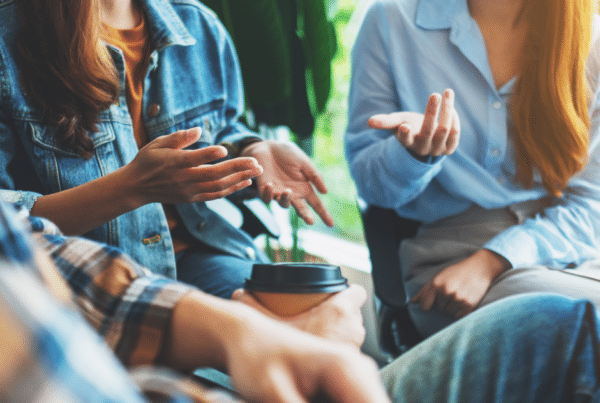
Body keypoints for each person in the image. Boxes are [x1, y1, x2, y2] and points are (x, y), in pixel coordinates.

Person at [3, 201, 600, 402]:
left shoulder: (195, 29)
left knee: (566, 319)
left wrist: (237, 330)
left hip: (180, 316)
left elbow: (28, 238)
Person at [0, 0, 334, 300]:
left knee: (317, 313)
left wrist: (252, 148)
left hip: (199, 256)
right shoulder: (8, 38)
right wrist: (131, 188)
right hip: (80, 277)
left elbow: (221, 130)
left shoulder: (199, 26)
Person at [345, 0, 600, 337]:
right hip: (448, 268)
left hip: (567, 249)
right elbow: (373, 187)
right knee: (586, 322)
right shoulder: (391, 20)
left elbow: (591, 207)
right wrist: (415, 155)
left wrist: (493, 260)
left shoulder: (589, 39)